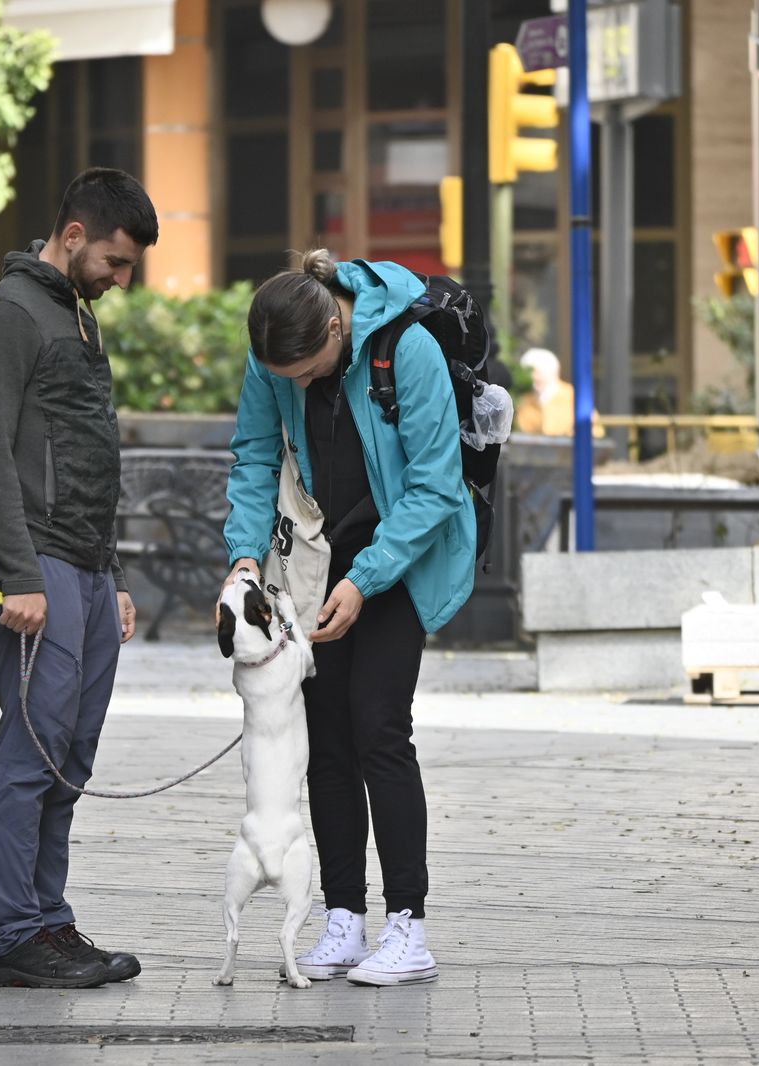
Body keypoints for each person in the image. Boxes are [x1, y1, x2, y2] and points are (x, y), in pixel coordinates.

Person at [219, 250, 477, 986]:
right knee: (324, 736)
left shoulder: (408, 349)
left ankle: (409, 927)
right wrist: (243, 559)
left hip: (400, 556)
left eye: (304, 373)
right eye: (283, 378)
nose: (295, 386)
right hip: (312, 560)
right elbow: (254, 457)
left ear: (336, 329)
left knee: (379, 729)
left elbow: (435, 487)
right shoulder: (272, 360)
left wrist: (365, 580)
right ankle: (343, 919)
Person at [0, 167, 157, 989]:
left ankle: (48, 919)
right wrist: (20, 577)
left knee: (72, 752)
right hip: (30, 563)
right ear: (72, 237)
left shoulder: (79, 317)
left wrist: (109, 574)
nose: (121, 280)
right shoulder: (8, 315)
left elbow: (85, 455)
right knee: (32, 747)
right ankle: (10, 936)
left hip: (81, 567)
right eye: (113, 261)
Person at [514, 347, 576, 436]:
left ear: (554, 372)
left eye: (538, 372)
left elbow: (594, 431)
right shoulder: (524, 400)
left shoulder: (572, 396)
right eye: (530, 373)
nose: (534, 377)